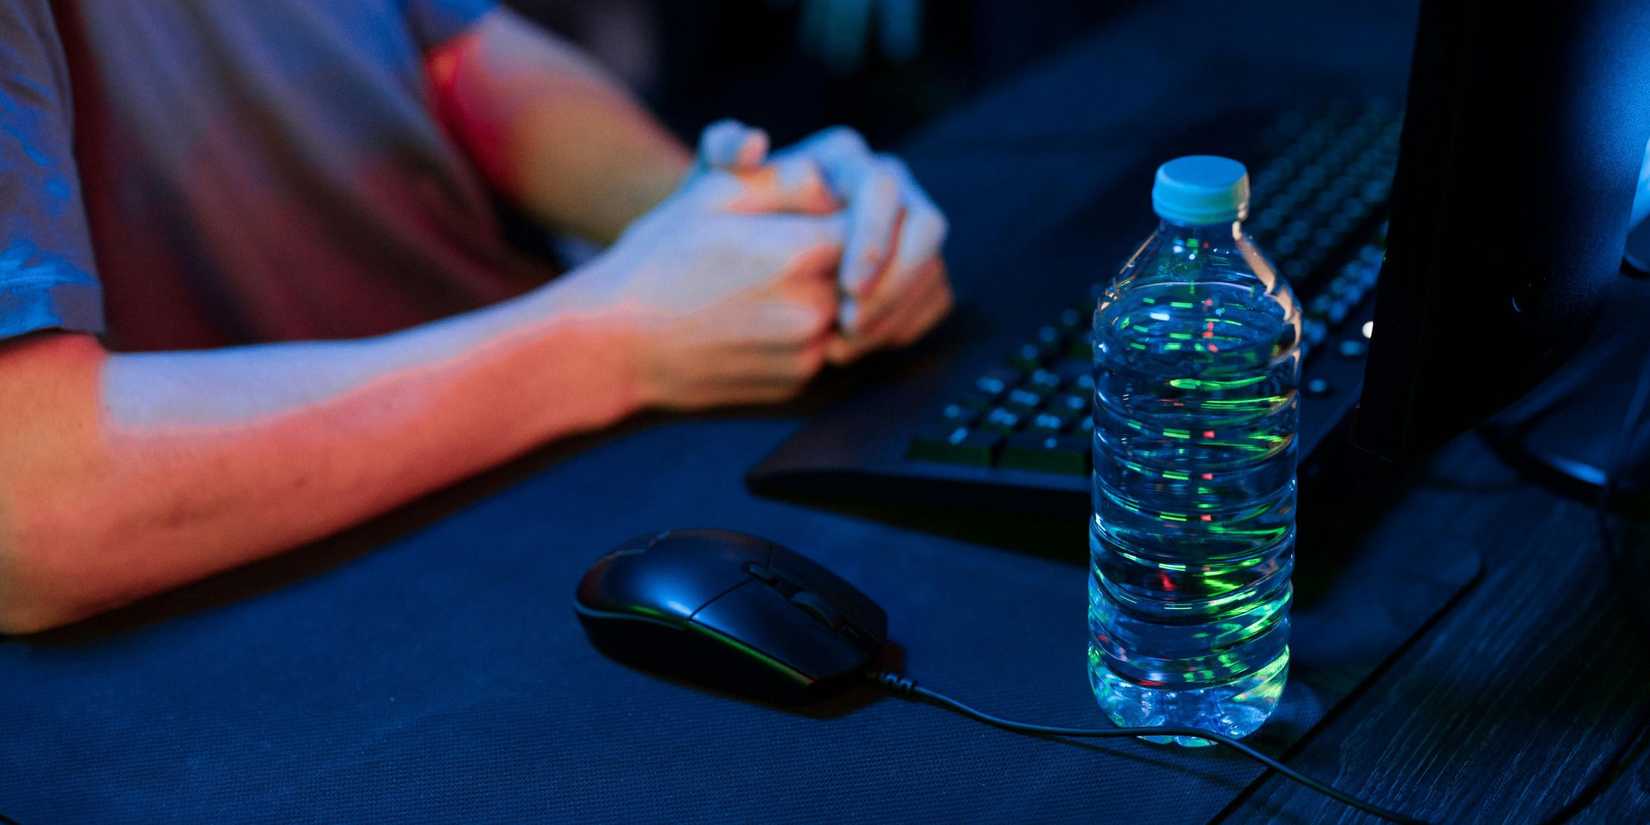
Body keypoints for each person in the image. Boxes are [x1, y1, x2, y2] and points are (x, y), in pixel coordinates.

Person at [0, 1, 951, 633]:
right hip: (268, 584)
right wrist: (613, 337)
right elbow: (35, 509)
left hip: (530, 432)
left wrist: (738, 228)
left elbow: (457, 54)